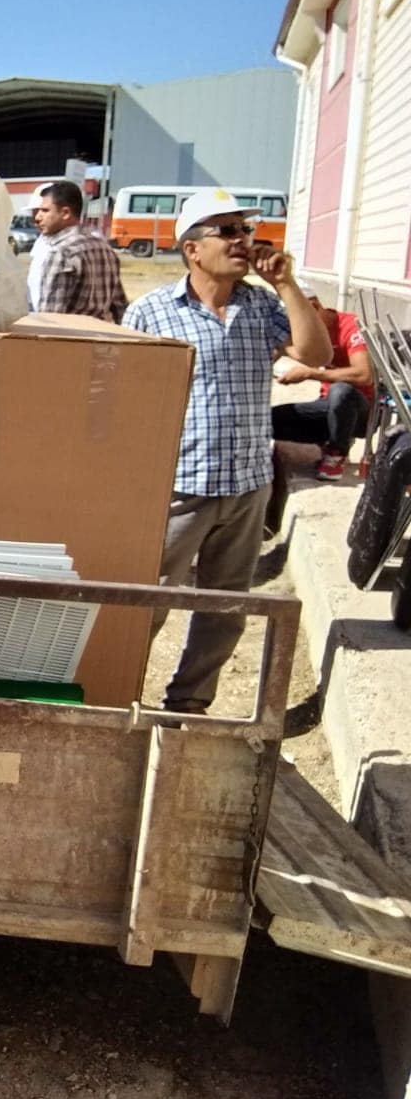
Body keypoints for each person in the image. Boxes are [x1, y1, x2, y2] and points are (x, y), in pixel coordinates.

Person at [123, 188, 330, 715]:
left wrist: (285, 284)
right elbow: (126, 399)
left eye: (245, 230)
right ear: (193, 249)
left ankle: (188, 704)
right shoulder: (151, 313)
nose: (243, 241)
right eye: (228, 231)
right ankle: (117, 694)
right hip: (181, 486)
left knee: (225, 609)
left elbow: (317, 353)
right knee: (146, 603)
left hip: (247, 487)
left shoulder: (261, 305)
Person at [271, 280, 373, 481]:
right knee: (267, 421)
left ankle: (336, 453)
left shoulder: (350, 325)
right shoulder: (303, 332)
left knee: (341, 391)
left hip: (360, 410)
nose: (296, 328)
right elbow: (275, 352)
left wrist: (310, 373)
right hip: (326, 405)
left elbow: (364, 375)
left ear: (315, 307)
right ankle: (328, 440)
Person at [30, 180, 126, 323]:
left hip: (70, 334)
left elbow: (49, 318)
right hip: (100, 333)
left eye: (45, 211)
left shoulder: (61, 253)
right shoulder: (104, 247)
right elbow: (119, 307)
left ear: (65, 213)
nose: (37, 217)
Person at [24, 183, 54, 308]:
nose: (37, 217)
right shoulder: (42, 241)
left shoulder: (81, 246)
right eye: (34, 212)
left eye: (44, 211)